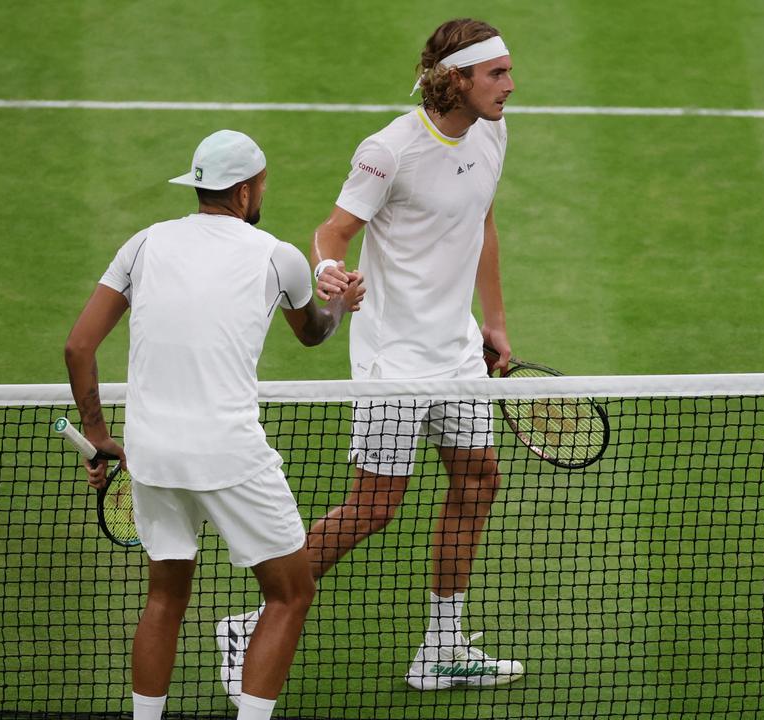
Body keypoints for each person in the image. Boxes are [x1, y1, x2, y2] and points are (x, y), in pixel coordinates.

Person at [218, 17, 522, 692]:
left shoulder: (492, 132)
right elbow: (333, 231)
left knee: (478, 481)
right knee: (375, 506)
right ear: (456, 80)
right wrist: (329, 272)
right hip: (396, 360)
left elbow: (483, 220)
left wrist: (493, 322)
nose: (510, 84)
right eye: (496, 73)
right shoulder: (389, 151)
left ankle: (442, 648)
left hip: (457, 350)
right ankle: (249, 620)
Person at [65, 129, 363, 720]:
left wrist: (98, 436)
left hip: (152, 453)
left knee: (166, 596)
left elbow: (78, 347)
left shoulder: (145, 244)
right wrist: (340, 304)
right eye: (263, 185)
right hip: (228, 454)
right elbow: (312, 334)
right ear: (248, 190)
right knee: (291, 591)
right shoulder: (278, 256)